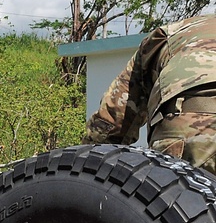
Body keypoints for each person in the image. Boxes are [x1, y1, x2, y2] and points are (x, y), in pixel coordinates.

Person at [84, 14, 216, 173]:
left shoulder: (174, 32)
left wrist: (80, 167)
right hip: (193, 128)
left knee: (180, 196)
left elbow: (113, 120)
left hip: (188, 133)